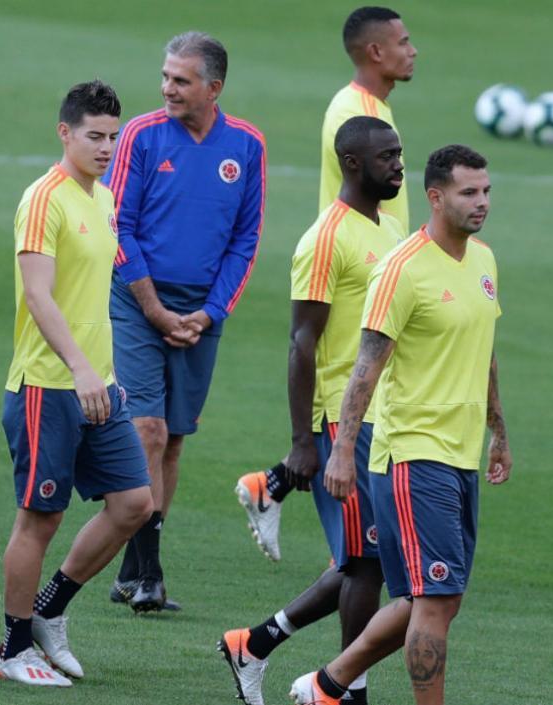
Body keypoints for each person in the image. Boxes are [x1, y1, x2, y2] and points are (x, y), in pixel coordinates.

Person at [290, 144, 510, 705]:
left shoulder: (483, 260)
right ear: (435, 197)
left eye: (485, 190)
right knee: (434, 601)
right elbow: (366, 364)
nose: (481, 202)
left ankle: (327, 683)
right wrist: (341, 453)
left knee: (438, 598)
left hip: (460, 453)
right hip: (412, 453)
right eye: (469, 192)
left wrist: (498, 431)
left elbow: (483, 350)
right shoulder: (402, 268)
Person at [218, 117, 405, 705]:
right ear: (352, 163)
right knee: (366, 566)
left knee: (364, 560)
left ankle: (254, 644)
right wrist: (304, 441)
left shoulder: (391, 227)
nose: (400, 164)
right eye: (387, 156)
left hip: (390, 418)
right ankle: (349, 692)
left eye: (401, 153)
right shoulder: (326, 239)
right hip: (340, 422)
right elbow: (302, 342)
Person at [236, 6, 417, 560]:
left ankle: (273, 485)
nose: (414, 50)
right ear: (375, 52)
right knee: (361, 558)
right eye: (404, 41)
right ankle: (281, 481)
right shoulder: (355, 111)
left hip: (376, 257)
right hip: (354, 271)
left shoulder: (371, 107)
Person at [0, 80, 153, 688]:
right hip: (47, 386)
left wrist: (103, 373)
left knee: (134, 503)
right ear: (65, 133)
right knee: (40, 519)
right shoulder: (45, 199)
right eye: (95, 136)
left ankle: (49, 611)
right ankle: (13, 650)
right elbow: (38, 294)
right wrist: (81, 368)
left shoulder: (103, 198)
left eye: (114, 137)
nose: (107, 147)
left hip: (99, 386)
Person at [103, 31, 266, 612]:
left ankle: (130, 572)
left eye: (181, 80)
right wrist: (155, 309)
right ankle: (150, 575)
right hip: (137, 300)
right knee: (145, 430)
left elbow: (246, 239)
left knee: (172, 440)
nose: (166, 88)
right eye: (166, 76)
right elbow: (116, 226)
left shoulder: (246, 145)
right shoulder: (143, 137)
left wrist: (208, 312)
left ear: (213, 88)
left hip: (200, 312)